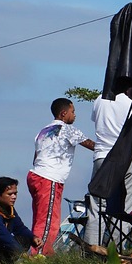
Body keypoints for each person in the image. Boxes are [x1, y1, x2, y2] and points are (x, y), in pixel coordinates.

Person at [27, 98, 95, 255]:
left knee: (40, 218)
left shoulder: (42, 131)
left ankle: (41, 252)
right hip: (49, 178)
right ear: (64, 113)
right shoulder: (68, 129)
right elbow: (92, 145)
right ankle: (40, 255)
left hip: (35, 175)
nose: (75, 115)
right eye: (73, 111)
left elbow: (36, 156)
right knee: (49, 221)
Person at [83, 76, 132, 247]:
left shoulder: (100, 99)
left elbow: (97, 121)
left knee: (97, 205)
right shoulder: (131, 102)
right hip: (130, 157)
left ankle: (92, 249)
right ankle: (118, 250)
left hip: (102, 155)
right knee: (125, 205)